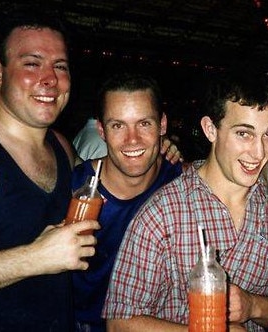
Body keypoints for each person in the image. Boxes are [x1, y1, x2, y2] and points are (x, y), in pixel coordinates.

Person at [0, 8, 99, 331]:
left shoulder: (61, 147)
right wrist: (33, 259)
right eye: (32, 63)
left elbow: (104, 180)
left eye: (60, 66)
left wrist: (157, 152)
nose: (50, 79)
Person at [103, 69, 268, 331]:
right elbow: (119, 323)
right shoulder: (161, 214)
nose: (259, 152)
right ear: (210, 129)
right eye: (244, 133)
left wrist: (254, 306)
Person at [71, 71, 184, 332]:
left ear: (162, 125)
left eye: (144, 123)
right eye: (118, 125)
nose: (132, 140)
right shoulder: (73, 189)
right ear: (101, 130)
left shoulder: (179, 181)